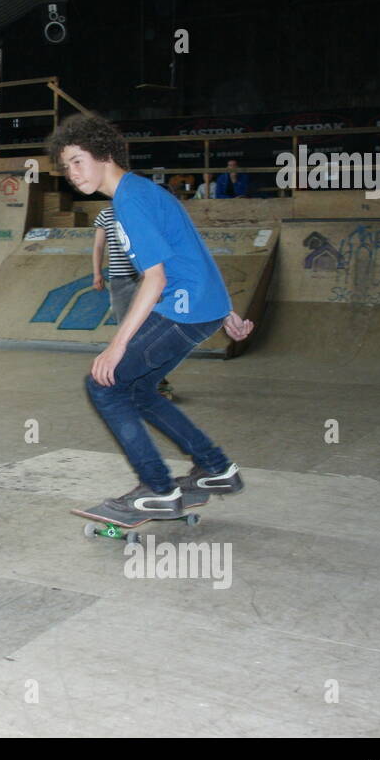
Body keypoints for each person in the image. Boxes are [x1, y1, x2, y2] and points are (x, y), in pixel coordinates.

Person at [47, 112, 253, 516]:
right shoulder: (142, 191)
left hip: (183, 307)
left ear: (104, 154)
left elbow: (155, 279)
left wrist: (115, 346)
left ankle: (158, 489)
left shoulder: (131, 199)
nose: (71, 174)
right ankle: (215, 467)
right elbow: (193, 248)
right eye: (65, 167)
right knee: (139, 390)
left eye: (77, 161)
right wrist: (224, 308)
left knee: (103, 384)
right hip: (201, 307)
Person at [94, 207, 174, 399]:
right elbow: (98, 246)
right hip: (119, 279)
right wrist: (97, 273)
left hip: (146, 278)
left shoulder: (143, 210)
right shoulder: (105, 214)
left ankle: (157, 381)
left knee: (150, 330)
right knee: (126, 331)